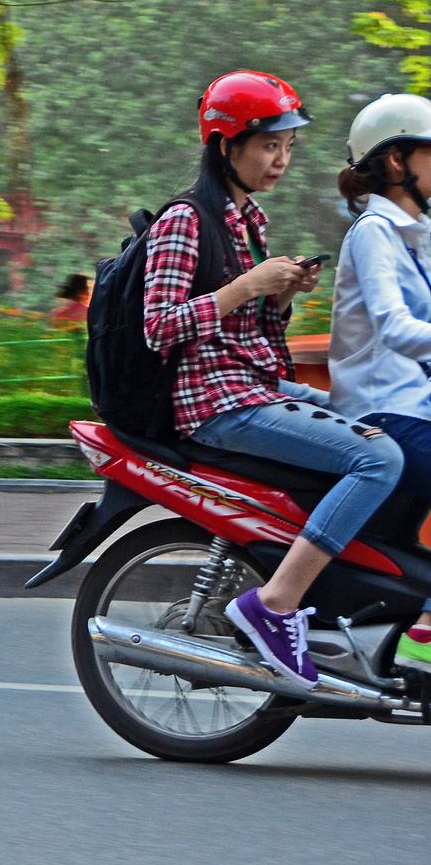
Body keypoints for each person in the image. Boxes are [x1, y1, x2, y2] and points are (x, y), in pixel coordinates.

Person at [143, 71, 403, 689]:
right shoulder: (186, 219)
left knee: (379, 424)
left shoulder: (247, 219)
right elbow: (158, 326)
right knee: (378, 461)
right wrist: (245, 287)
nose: (280, 159)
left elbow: (252, 332)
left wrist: (280, 295)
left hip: (255, 385)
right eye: (268, 145)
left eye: (288, 146)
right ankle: (275, 604)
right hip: (215, 400)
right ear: (224, 145)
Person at [329, 93, 431, 672]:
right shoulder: (374, 231)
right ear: (397, 162)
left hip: (415, 408)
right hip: (384, 415)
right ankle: (425, 635)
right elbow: (395, 327)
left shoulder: (415, 233)